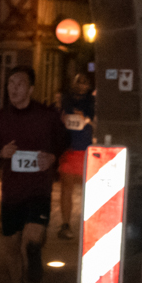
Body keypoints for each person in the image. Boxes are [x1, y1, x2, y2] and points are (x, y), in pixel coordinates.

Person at [0, 65, 68, 283]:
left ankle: (34, 252)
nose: (14, 88)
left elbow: (64, 140)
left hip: (38, 187)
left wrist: (52, 157)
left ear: (31, 89)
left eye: (20, 84)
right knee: (11, 246)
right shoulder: (0, 119)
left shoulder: (47, 116)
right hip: (11, 192)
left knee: (33, 235)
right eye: (11, 83)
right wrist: (1, 152)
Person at [57, 72, 95, 239]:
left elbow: (98, 123)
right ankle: (66, 224)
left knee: (90, 189)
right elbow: (59, 121)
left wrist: (86, 120)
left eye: (84, 82)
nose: (81, 85)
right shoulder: (66, 100)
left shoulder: (93, 102)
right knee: (66, 188)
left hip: (87, 149)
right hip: (69, 148)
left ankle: (91, 224)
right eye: (78, 81)